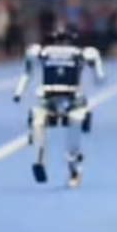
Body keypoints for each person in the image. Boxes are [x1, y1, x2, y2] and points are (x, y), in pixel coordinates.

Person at [13, 28, 105, 189]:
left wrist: (98, 71)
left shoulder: (81, 54)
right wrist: (18, 92)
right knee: (37, 121)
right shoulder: (41, 53)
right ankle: (39, 160)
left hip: (73, 99)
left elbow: (99, 74)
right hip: (48, 98)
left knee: (74, 128)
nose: (61, 46)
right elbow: (27, 73)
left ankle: (74, 169)